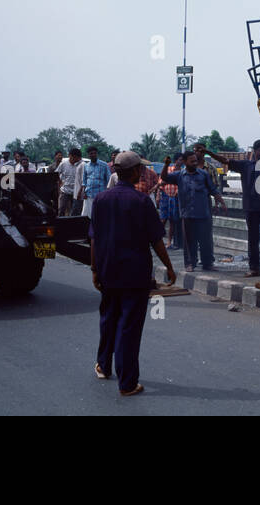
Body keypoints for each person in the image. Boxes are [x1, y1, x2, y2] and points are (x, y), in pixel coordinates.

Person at [90, 151, 177, 397]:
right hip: (135, 272)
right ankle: (127, 383)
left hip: (108, 268)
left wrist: (95, 269)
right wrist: (169, 268)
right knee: (128, 326)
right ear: (136, 171)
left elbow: (94, 239)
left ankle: (103, 366)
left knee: (108, 318)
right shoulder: (141, 202)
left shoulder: (100, 200)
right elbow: (157, 241)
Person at [204, 141, 260, 278]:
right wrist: (208, 152)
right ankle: (254, 269)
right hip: (251, 208)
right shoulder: (245, 165)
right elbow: (225, 160)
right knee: (252, 239)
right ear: (254, 151)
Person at [163, 152, 226, 272]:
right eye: (192, 161)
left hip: (203, 213)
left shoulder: (203, 174)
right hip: (187, 214)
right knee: (189, 241)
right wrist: (166, 165)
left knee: (206, 241)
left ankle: (207, 263)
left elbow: (213, 189)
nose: (195, 163)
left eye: (195, 161)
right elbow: (165, 177)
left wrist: (221, 202)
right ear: (185, 162)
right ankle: (190, 263)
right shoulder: (179, 175)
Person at [157, 156, 182, 250]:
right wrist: (158, 195)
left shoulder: (183, 172)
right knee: (163, 219)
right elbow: (161, 183)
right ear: (176, 160)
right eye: (179, 159)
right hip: (165, 195)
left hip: (175, 198)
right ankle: (157, 239)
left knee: (173, 220)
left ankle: (169, 242)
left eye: (182, 160)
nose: (181, 161)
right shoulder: (168, 169)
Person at [81, 147, 110, 219]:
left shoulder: (104, 165)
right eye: (91, 153)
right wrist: (83, 192)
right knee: (87, 216)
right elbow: (84, 181)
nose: (93, 155)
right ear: (88, 155)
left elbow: (109, 180)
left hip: (101, 194)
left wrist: (107, 193)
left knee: (100, 215)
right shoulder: (86, 166)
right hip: (89, 194)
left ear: (97, 154)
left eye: (95, 153)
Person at [56, 148, 84, 217]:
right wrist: (60, 183)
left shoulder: (81, 164)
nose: (76, 160)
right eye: (74, 158)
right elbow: (56, 174)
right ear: (70, 156)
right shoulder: (63, 164)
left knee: (75, 211)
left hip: (76, 192)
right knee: (61, 209)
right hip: (65, 191)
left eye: (77, 158)